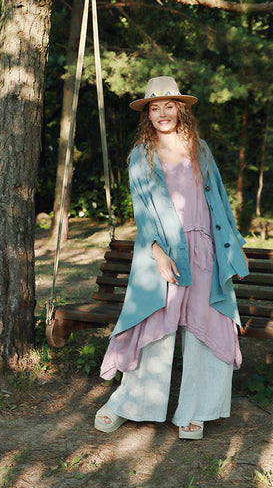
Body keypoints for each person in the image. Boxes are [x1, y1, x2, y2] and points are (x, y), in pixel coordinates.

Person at [95, 76, 249, 440]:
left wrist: (233, 244)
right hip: (164, 250)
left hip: (206, 249)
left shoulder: (200, 149)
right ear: (147, 114)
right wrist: (159, 254)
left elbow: (220, 200)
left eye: (169, 106)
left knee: (207, 327)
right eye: (154, 108)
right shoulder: (142, 154)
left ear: (180, 110)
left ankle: (196, 411)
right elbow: (142, 211)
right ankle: (131, 404)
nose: (162, 113)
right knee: (154, 327)